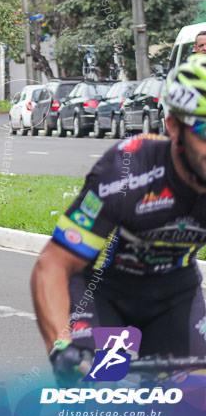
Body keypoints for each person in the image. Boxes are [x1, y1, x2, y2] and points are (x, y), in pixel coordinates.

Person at [30, 54, 206, 386]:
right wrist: (61, 346)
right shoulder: (127, 172)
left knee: (195, 395)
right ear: (174, 128)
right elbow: (53, 264)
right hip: (105, 291)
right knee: (102, 387)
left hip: (176, 294)